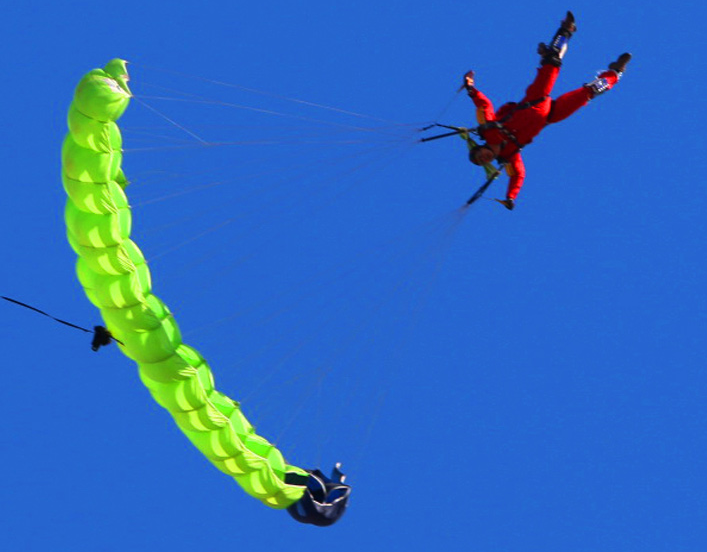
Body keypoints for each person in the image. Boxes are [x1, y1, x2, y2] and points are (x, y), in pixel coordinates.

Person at [464, 11, 631, 210]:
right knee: (590, 92)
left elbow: (484, 106)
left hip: (535, 99)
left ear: (479, 147)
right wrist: (510, 197)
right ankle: (615, 72)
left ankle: (566, 30)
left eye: (479, 155)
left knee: (552, 62)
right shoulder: (510, 155)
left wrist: (471, 89)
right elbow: (518, 174)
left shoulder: (489, 129)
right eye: (482, 162)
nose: (484, 158)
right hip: (551, 115)